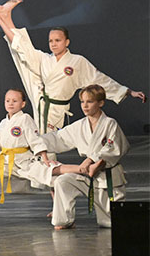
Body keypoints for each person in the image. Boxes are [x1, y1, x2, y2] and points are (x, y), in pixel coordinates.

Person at [0, 0, 145, 133]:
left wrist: (127, 91)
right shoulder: (45, 58)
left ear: (67, 42)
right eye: (50, 41)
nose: (53, 44)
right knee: (24, 52)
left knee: (48, 141)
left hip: (57, 107)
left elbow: (99, 79)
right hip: (41, 96)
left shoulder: (77, 61)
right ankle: (4, 18)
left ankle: (4, 18)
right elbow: (23, 48)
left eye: (57, 40)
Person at [41, 85, 129, 229]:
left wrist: (91, 160)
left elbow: (113, 148)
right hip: (87, 176)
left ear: (100, 103)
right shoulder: (79, 126)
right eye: (82, 102)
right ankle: (64, 220)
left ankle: (97, 166)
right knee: (63, 181)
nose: (85, 106)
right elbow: (58, 138)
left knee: (111, 223)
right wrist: (33, 141)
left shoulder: (110, 123)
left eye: (90, 101)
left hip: (107, 179)